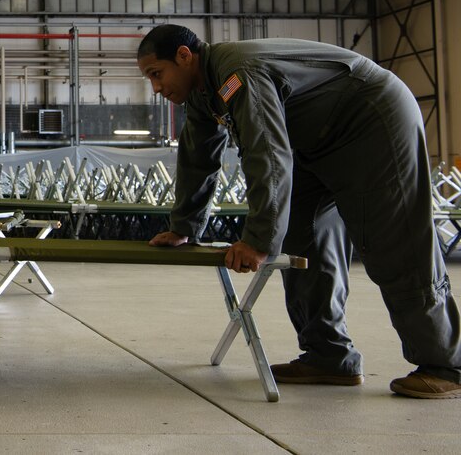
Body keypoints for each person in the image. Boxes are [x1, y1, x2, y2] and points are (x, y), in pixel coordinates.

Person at [137, 24, 461, 398]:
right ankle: (329, 356)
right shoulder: (201, 93)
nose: (156, 89)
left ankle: (446, 364)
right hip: (314, 142)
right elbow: (197, 158)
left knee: (394, 242)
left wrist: (257, 240)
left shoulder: (237, 72)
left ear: (184, 56)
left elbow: (266, 152)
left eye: (156, 75)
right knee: (300, 240)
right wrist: (185, 227)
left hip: (371, 121)